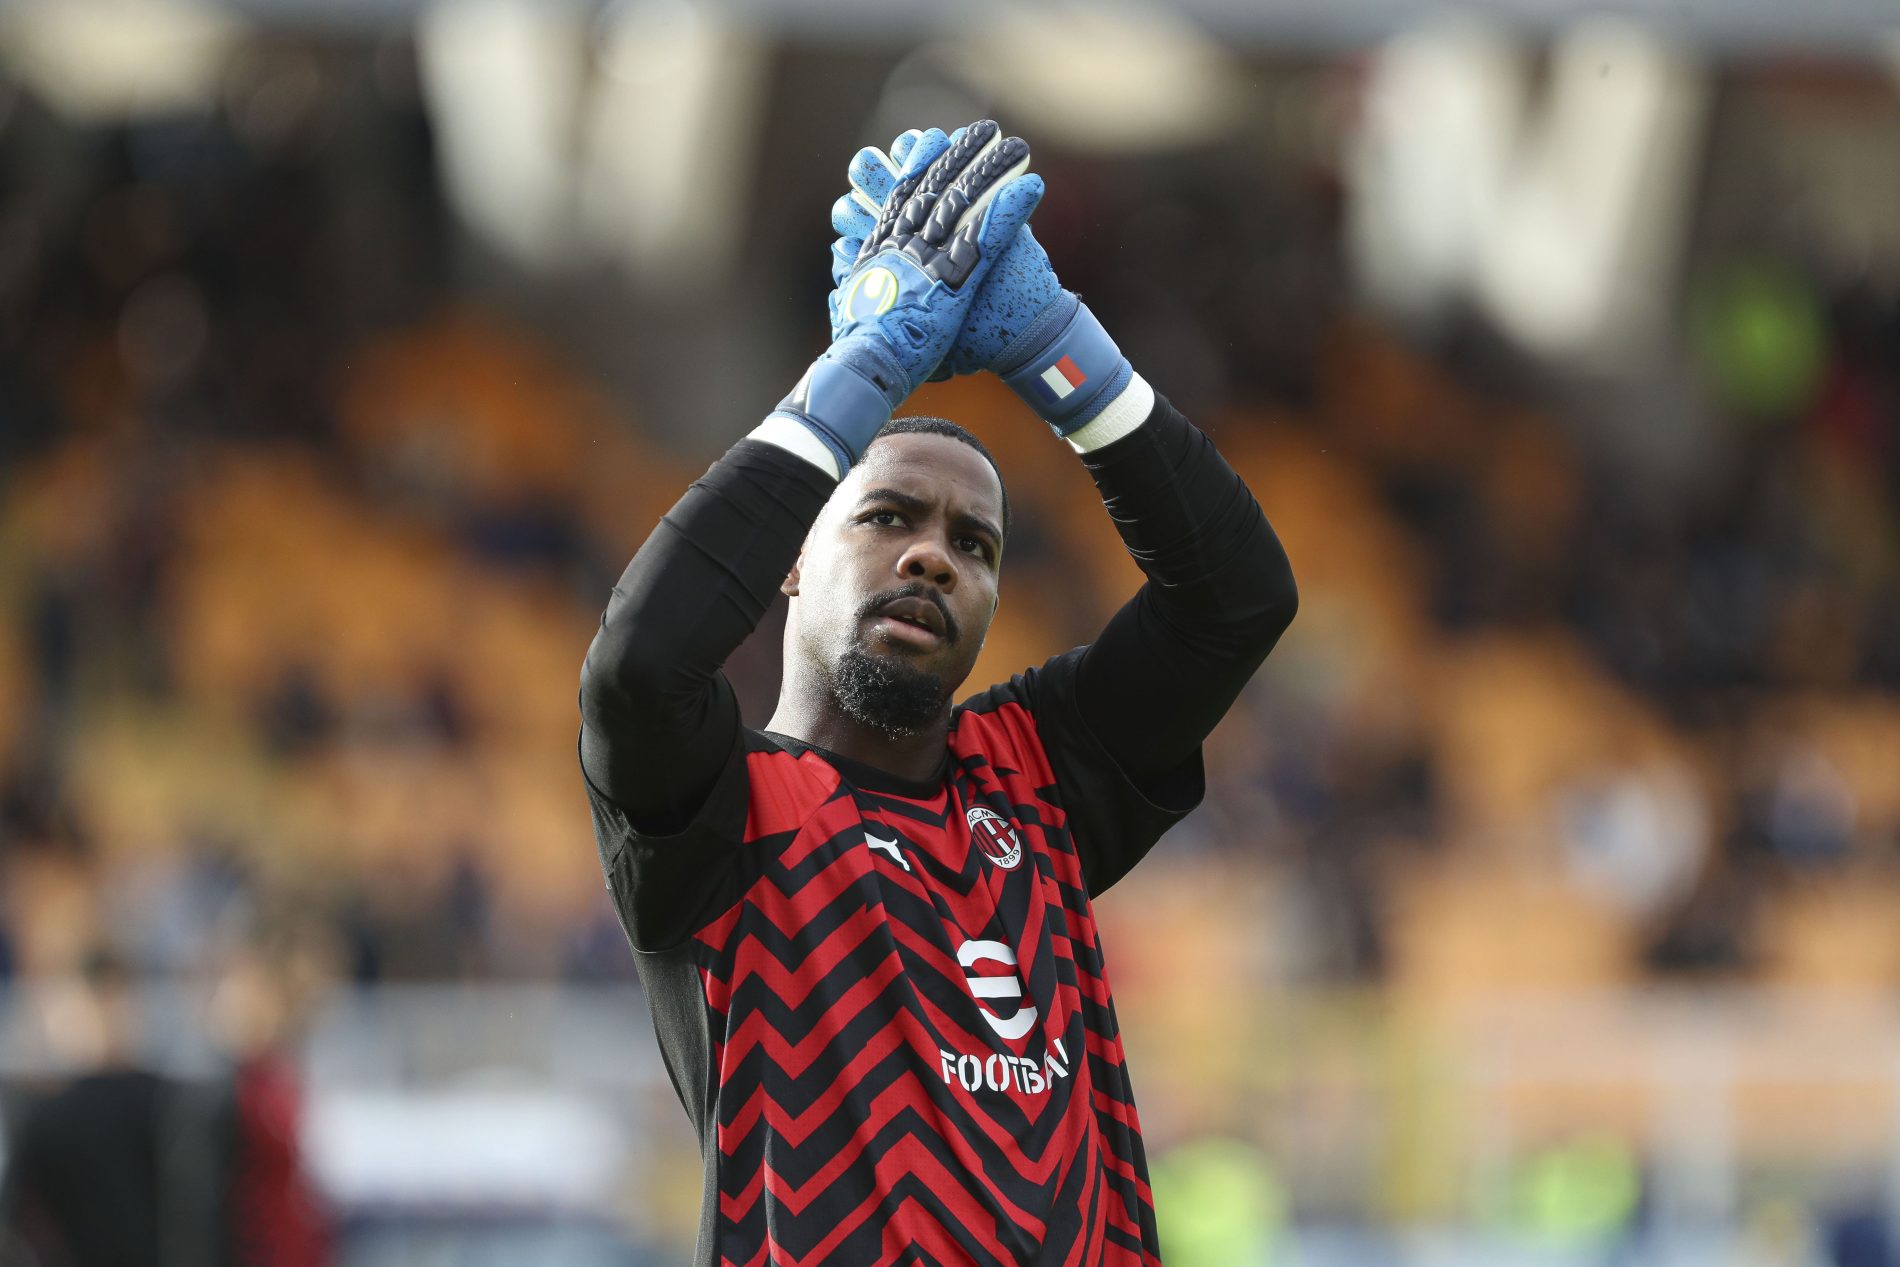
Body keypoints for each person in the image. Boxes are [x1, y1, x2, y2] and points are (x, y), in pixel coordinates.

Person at [579, 120, 1297, 1265]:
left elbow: (1237, 600)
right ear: (793, 559)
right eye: (886, 516)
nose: (933, 556)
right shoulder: (714, 810)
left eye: (976, 544)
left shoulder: (1035, 777)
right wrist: (860, 370)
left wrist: (1061, 349)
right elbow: (637, 664)